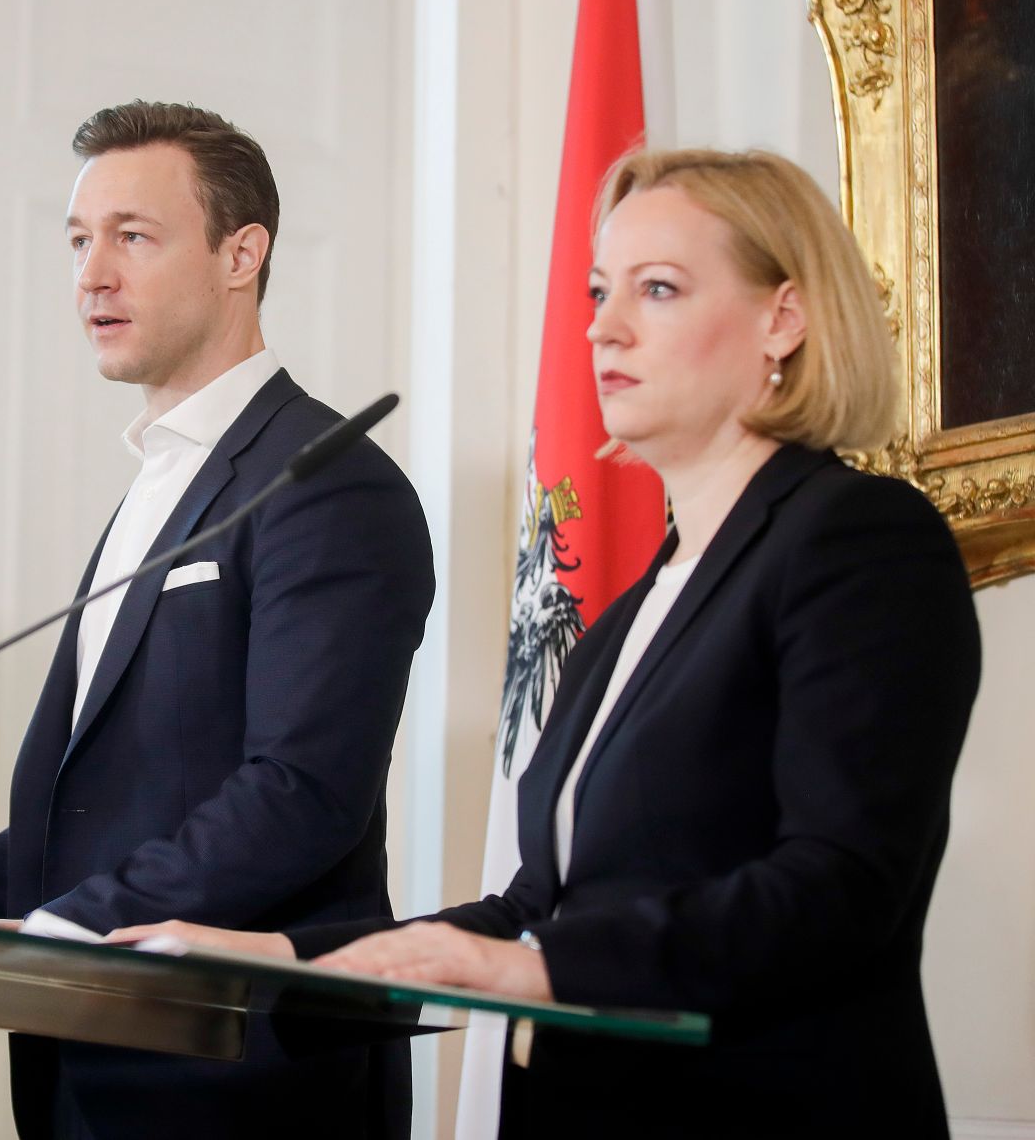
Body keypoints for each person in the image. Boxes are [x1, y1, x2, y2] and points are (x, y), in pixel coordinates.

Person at [112, 148, 982, 1138]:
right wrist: (285, 959)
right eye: (598, 290)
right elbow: (540, 900)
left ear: (781, 317)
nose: (602, 326)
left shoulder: (859, 539)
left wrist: (537, 967)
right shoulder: (624, 615)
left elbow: (839, 883)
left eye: (656, 289)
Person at [0, 101, 435, 1138]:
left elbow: (299, 793)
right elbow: (104, 810)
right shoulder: (156, 482)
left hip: (242, 1069)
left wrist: (59, 926)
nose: (90, 273)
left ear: (241, 253)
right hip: (94, 1060)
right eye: (77, 240)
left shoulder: (325, 485)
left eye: (131, 237)